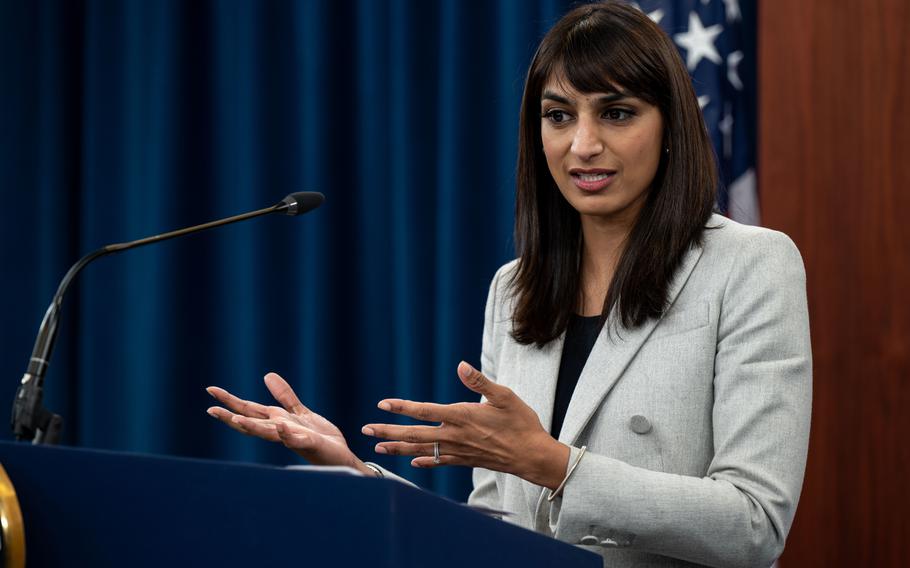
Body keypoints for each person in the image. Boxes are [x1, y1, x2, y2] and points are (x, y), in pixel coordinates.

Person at [206, 2, 811, 567]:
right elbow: (491, 527)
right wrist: (354, 474)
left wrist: (557, 467)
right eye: (559, 116)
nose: (583, 144)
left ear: (671, 125)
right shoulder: (515, 287)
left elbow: (755, 524)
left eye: (617, 112)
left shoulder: (750, 265)